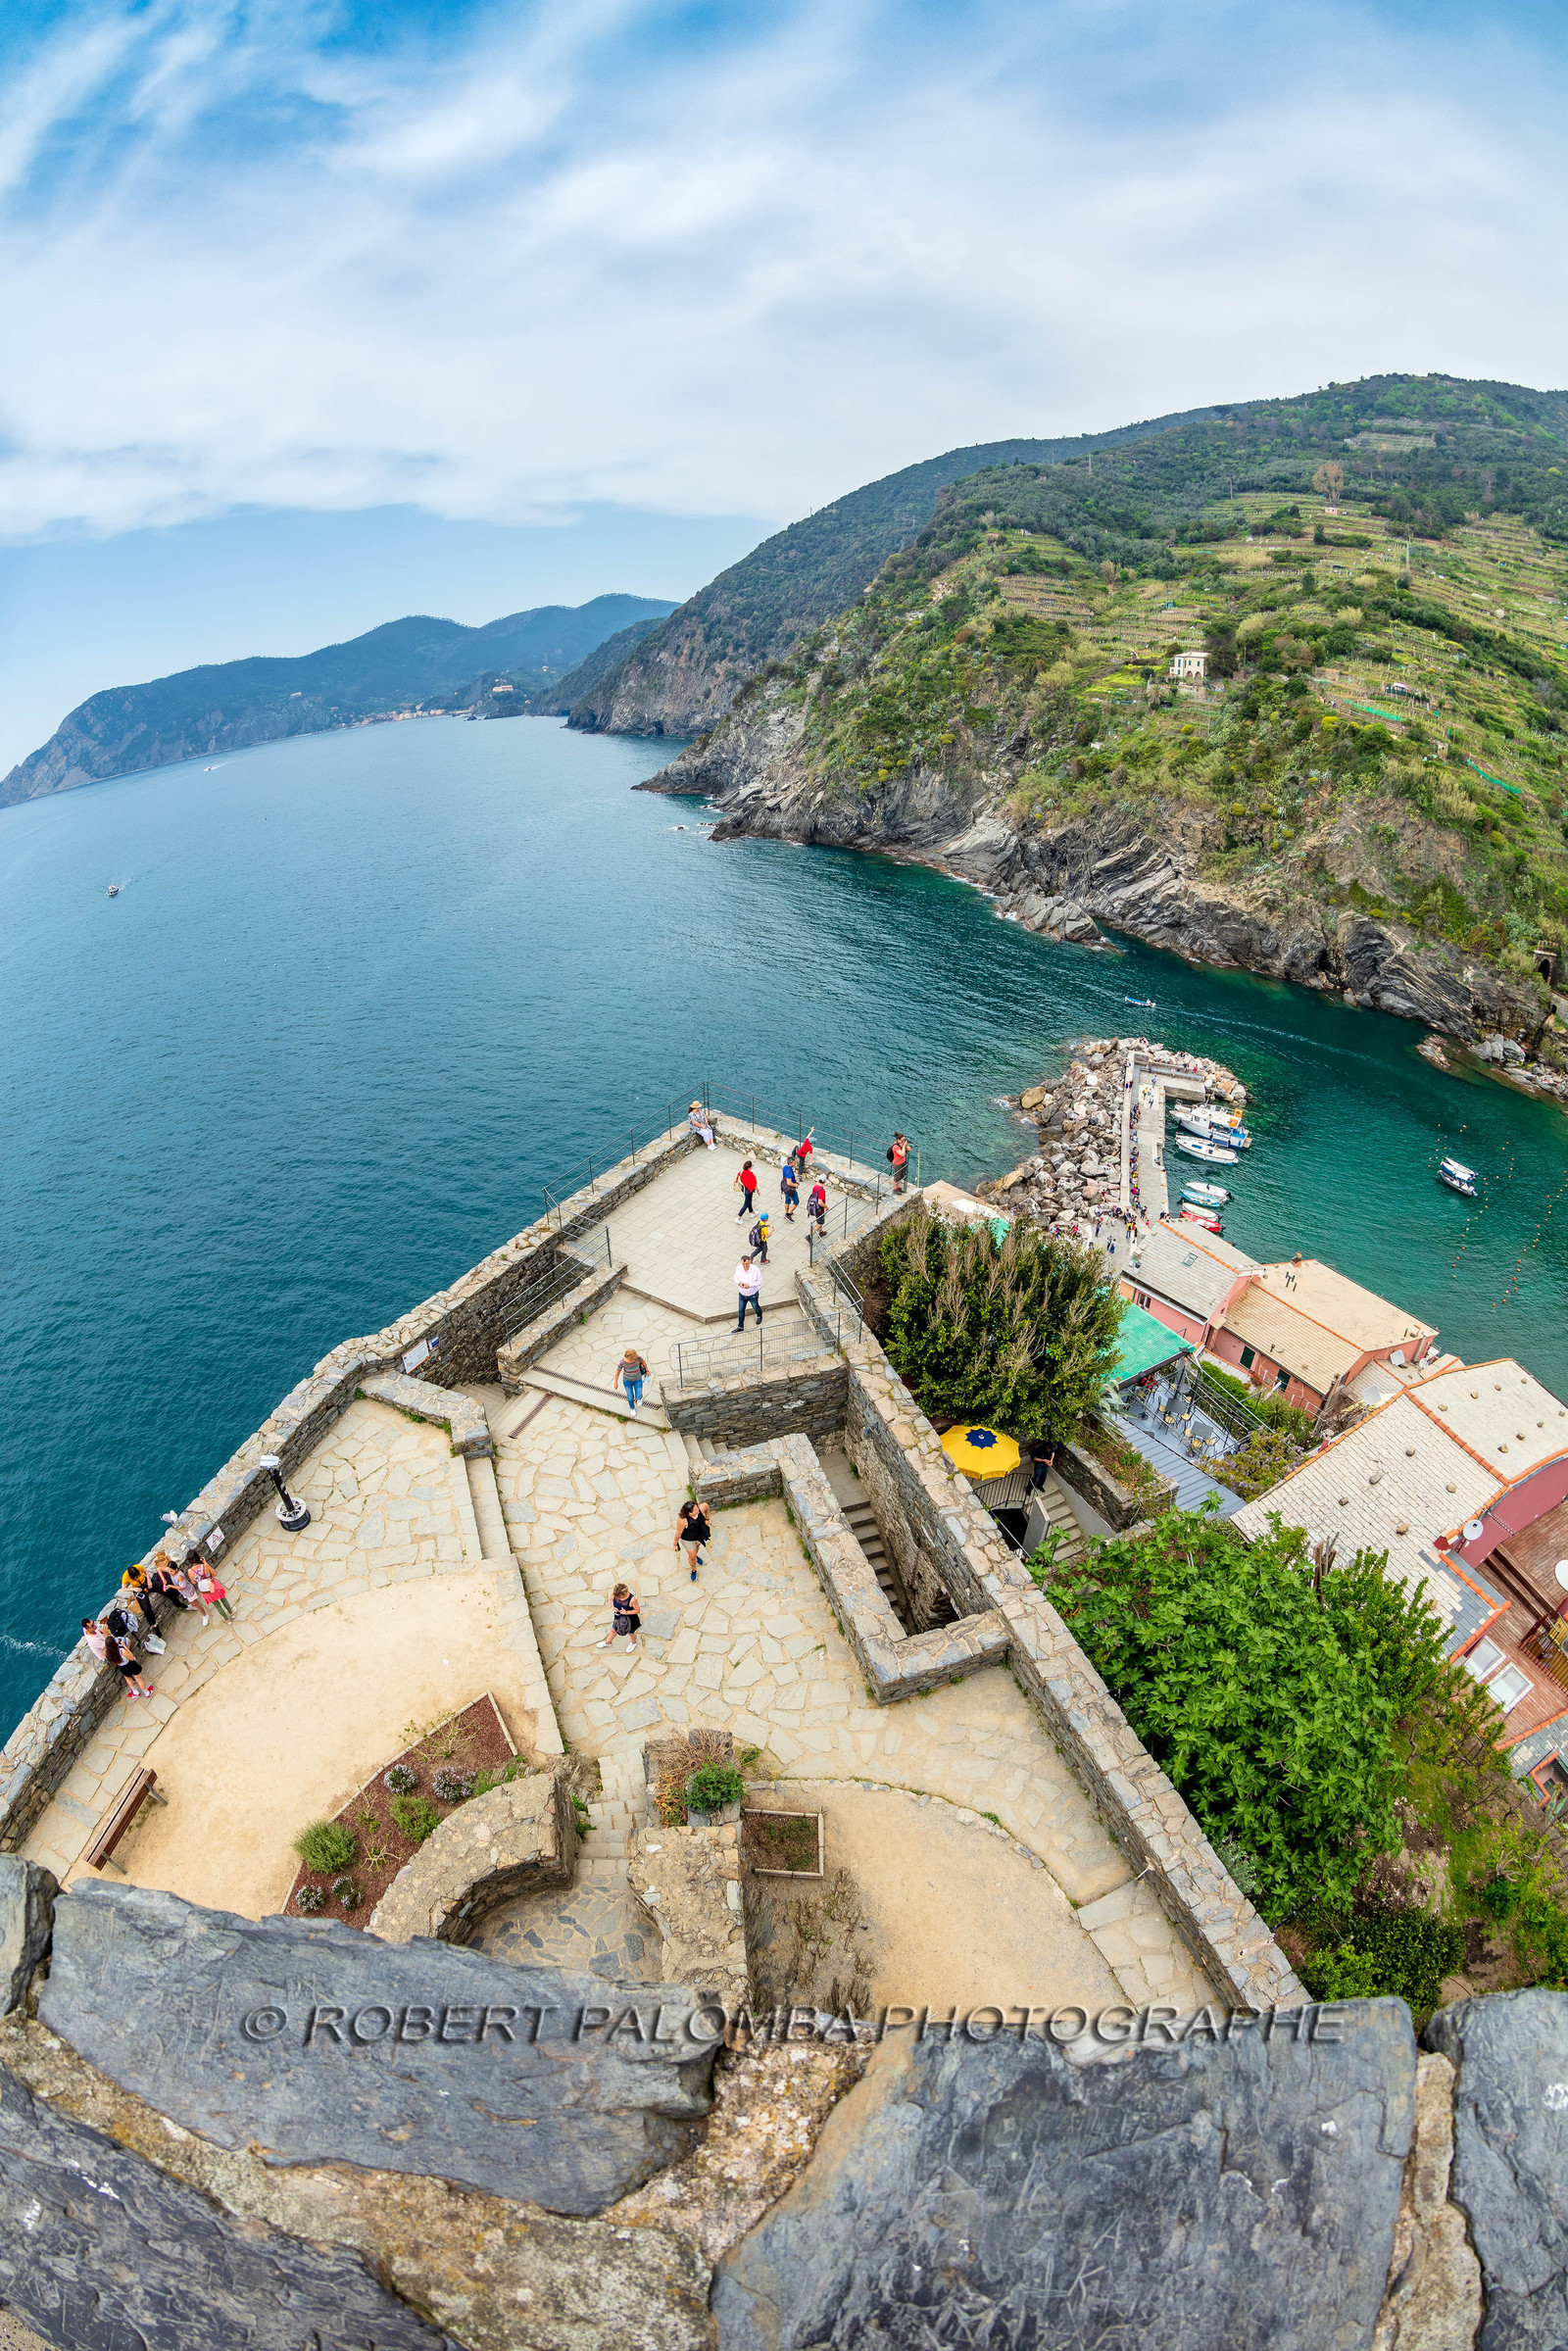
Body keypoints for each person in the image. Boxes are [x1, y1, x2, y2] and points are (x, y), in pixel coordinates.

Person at [187, 1549, 234, 1621]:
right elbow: (214, 1574)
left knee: (217, 1605)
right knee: (223, 1599)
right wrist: (205, 1563)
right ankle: (232, 1613)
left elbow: (193, 1582)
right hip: (214, 1586)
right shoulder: (204, 1566)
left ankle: (227, 1620)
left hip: (206, 1590)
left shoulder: (190, 1571)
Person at [109, 1630, 154, 1702]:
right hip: (130, 1664)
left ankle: (135, 1692)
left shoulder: (109, 1654)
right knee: (139, 1679)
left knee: (128, 1679)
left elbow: (113, 1663)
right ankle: (146, 1692)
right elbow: (131, 1657)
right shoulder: (121, 1651)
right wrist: (124, 1646)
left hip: (122, 1667)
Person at [674, 1496, 710, 1582]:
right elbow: (678, 1533)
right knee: (692, 1557)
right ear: (689, 1513)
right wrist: (675, 1544)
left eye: (696, 1507)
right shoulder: (682, 1520)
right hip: (688, 1540)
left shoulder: (700, 1509)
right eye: (694, 1510)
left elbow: (706, 1506)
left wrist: (707, 1519)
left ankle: (695, 1556)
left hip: (699, 1536)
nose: (697, 1510)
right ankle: (694, 1569)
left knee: (697, 1548)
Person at [600, 1582, 640, 1650]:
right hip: (618, 1617)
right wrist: (613, 1606)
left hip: (630, 1620)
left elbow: (637, 1610)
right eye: (618, 1598)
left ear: (626, 1593)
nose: (620, 1599)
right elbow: (611, 1599)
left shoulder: (632, 1599)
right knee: (613, 1630)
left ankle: (633, 1643)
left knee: (631, 1633)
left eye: (622, 1598)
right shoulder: (615, 1593)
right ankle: (608, 1642)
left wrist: (626, 1612)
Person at [613, 1347, 651, 1416]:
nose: (631, 1362)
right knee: (630, 1396)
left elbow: (643, 1362)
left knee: (639, 1395)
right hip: (627, 1381)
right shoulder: (622, 1363)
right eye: (630, 1360)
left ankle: (639, 1398)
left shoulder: (638, 1358)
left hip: (637, 1379)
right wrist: (616, 1382)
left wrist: (647, 1371)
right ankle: (632, 1408)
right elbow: (617, 1372)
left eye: (632, 1360)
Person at [735, 1252, 762, 1330]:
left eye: (746, 1264)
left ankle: (759, 1315)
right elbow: (735, 1278)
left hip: (752, 1294)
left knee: (755, 1306)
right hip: (742, 1294)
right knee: (741, 1310)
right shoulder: (738, 1268)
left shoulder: (755, 1270)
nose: (745, 1266)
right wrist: (739, 1283)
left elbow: (759, 1282)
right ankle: (740, 1326)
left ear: (749, 1262)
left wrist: (749, 1285)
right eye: (743, 1264)